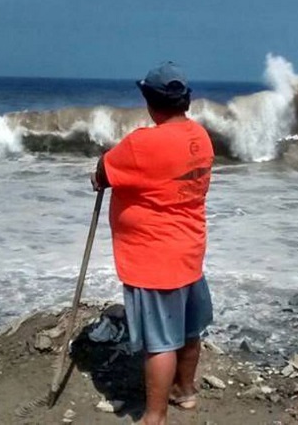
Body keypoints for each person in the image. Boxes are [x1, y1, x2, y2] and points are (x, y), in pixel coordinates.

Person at [91, 62, 214, 425]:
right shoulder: (200, 137)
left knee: (159, 343)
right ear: (185, 100)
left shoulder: (142, 144)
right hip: (189, 250)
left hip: (153, 257)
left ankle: (154, 416)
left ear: (149, 100)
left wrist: (100, 170)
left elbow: (103, 173)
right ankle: (185, 391)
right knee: (189, 330)